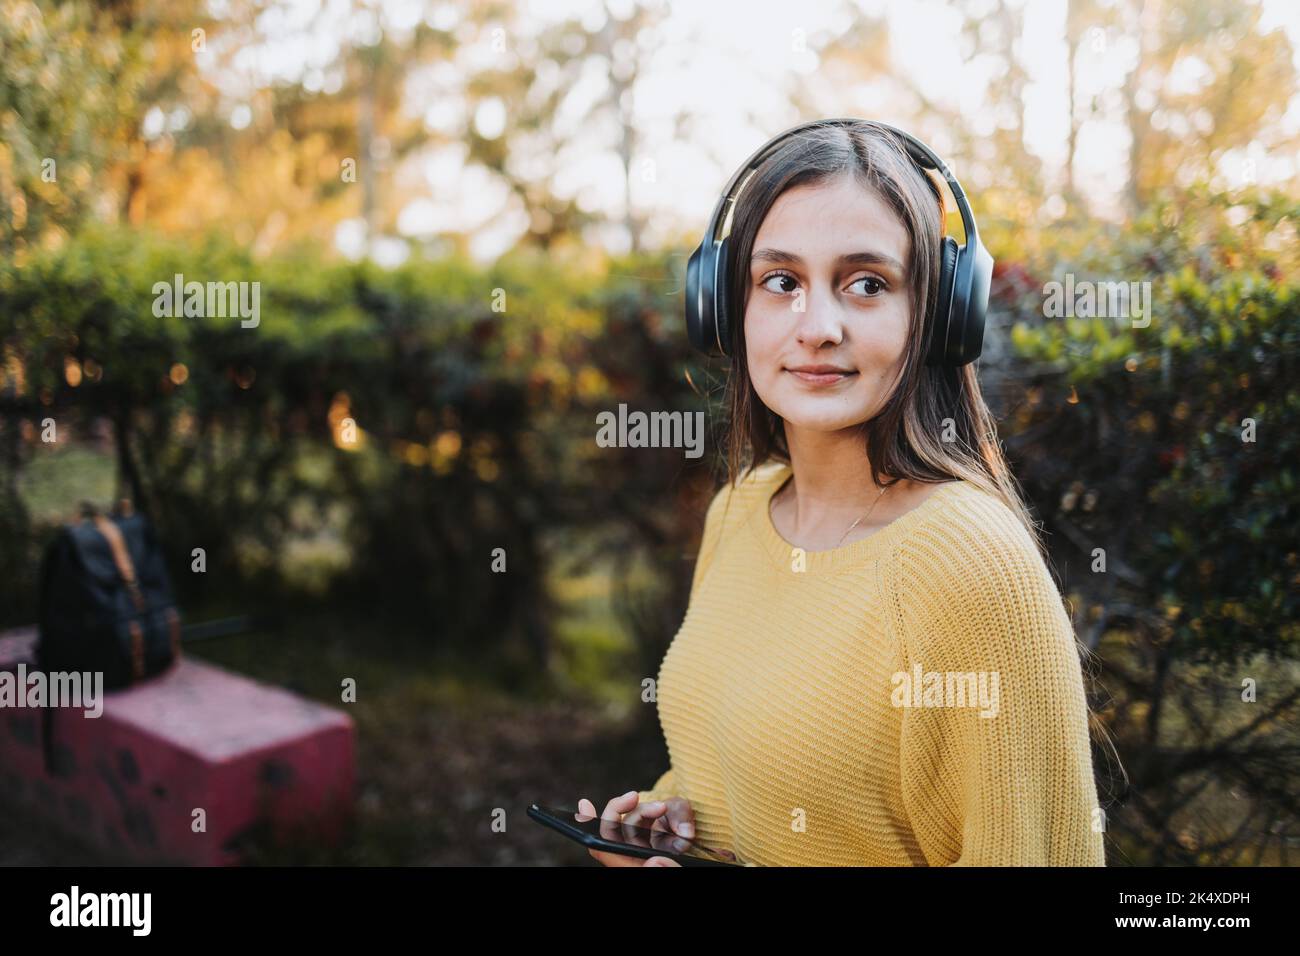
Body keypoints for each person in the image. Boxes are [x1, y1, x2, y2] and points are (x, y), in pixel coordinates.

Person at [579, 119, 1107, 866]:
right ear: (726, 309)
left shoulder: (973, 568)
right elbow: (739, 769)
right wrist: (676, 823)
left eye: (866, 284)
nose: (818, 326)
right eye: (782, 282)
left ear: (938, 316)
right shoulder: (742, 507)